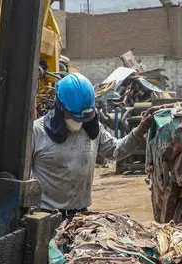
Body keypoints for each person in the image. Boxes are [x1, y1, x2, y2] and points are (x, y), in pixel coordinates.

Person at [31, 73, 154, 216]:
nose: (78, 122)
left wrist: (139, 132)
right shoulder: (37, 132)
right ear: (60, 106)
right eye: (74, 116)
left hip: (80, 216)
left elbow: (116, 150)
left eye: (83, 118)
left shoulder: (92, 130)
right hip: (45, 216)